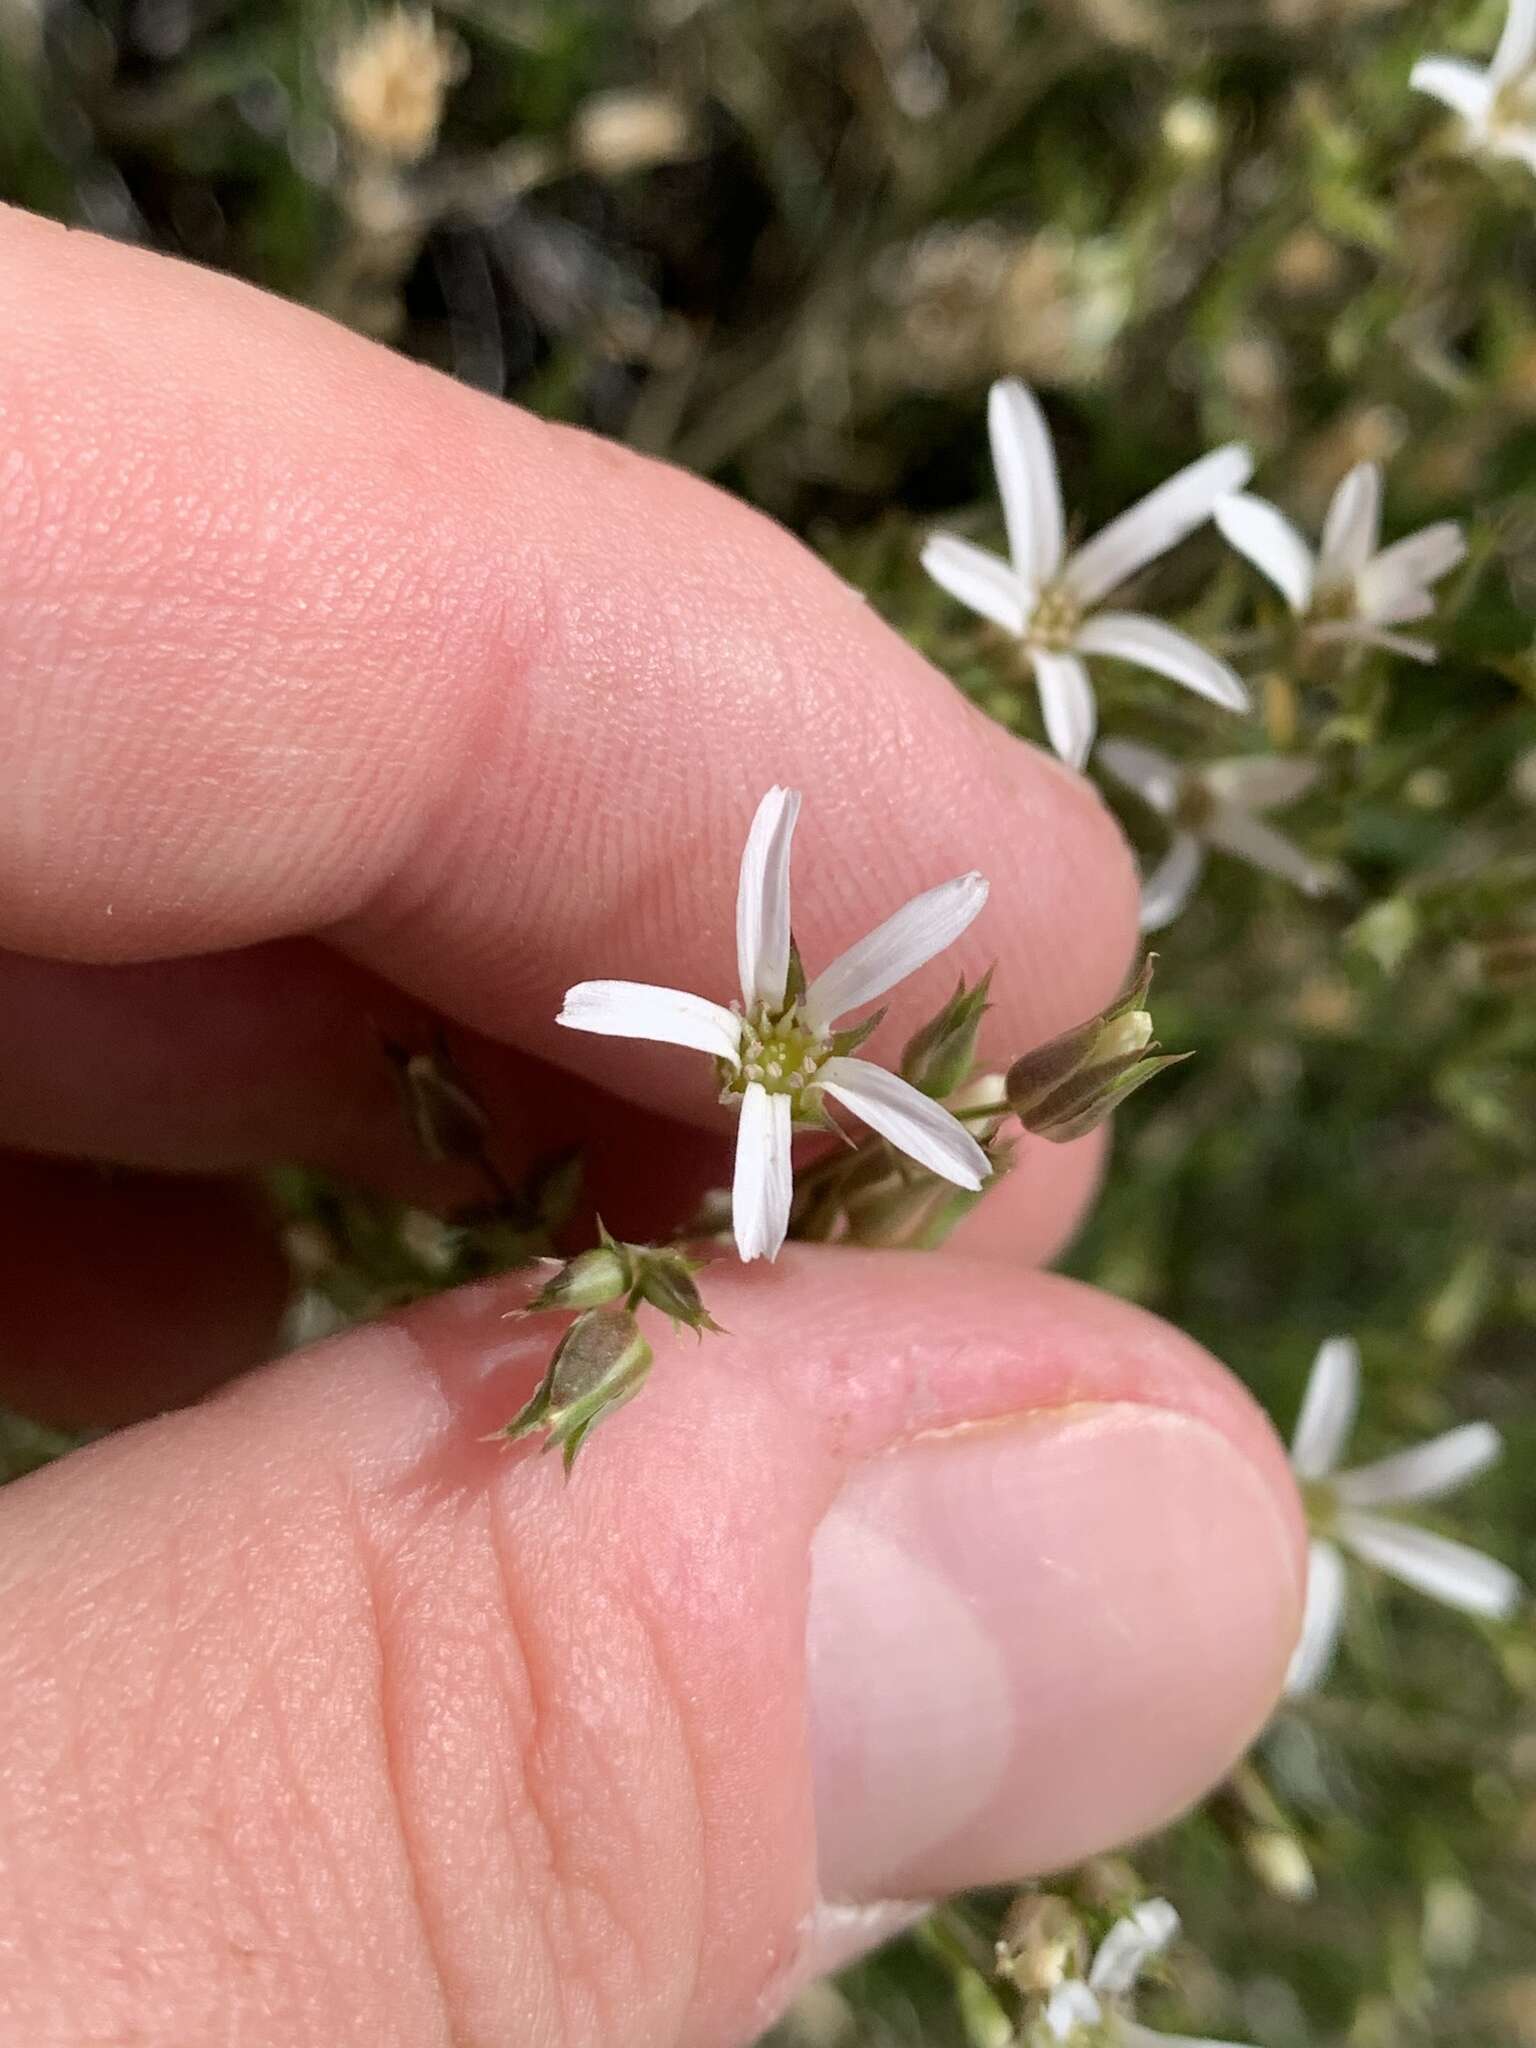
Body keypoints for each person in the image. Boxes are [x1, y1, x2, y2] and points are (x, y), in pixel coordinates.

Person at [0, 202, 1303, 2045]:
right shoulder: (791, 1070)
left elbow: (797, 1167)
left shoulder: (814, 1079)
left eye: (781, 1044)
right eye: (777, 1040)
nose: (774, 1052)